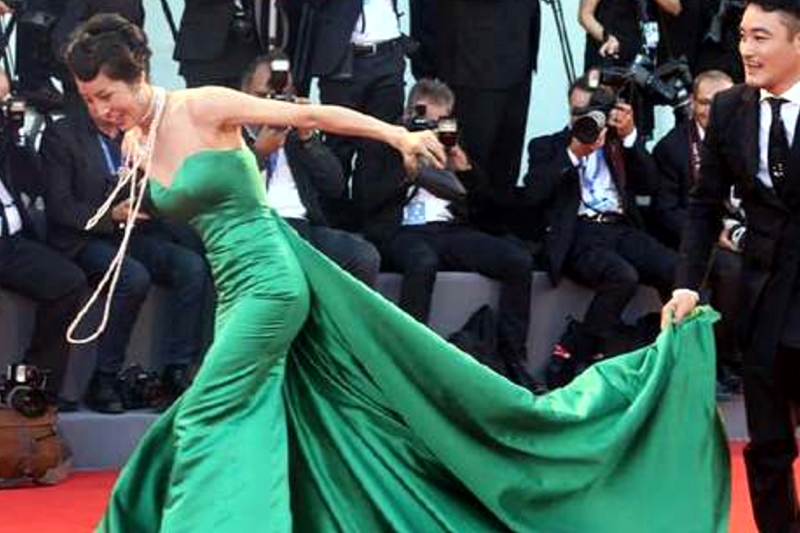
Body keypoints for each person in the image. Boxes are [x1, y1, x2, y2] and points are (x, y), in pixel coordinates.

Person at [67, 14, 727, 532]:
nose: (100, 109)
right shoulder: (137, 140)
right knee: (257, 413)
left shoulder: (201, 105)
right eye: (88, 98)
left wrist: (397, 135)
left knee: (205, 411)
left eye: (105, 94)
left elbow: (311, 115)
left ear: (138, 74)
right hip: (232, 290)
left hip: (272, 283)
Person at [664, 1, 800, 530]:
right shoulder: (729, 109)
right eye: (743, 36)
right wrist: (686, 286)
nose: (746, 49)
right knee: (767, 446)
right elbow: (704, 205)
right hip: (762, 295)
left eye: (761, 37)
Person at [40, 84, 213, 413]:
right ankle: (104, 377)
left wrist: (152, 200)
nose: (110, 111)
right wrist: (111, 215)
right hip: (84, 237)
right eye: (101, 101)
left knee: (190, 266)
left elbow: (161, 186)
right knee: (132, 277)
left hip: (135, 232)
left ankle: (177, 370)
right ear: (88, 99)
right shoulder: (63, 135)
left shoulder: (137, 134)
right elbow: (60, 207)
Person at [362, 78, 535, 387]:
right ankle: (410, 358)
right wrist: (407, 169)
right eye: (424, 119)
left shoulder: (450, 141)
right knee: (422, 261)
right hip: (402, 231)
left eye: (439, 121)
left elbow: (485, 205)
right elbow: (365, 199)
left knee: (518, 261)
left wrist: (463, 166)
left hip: (449, 230)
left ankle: (514, 360)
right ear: (409, 113)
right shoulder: (387, 140)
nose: (430, 128)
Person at [523, 73, 676, 389]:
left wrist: (631, 136)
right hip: (578, 234)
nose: (583, 118)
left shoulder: (617, 144)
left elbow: (650, 185)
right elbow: (533, 195)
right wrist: (574, 153)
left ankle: (672, 355)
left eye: (590, 111)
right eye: (576, 112)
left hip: (619, 228)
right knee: (622, 276)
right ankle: (577, 352)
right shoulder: (547, 145)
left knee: (675, 268)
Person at [240, 51, 381, 286]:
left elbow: (334, 186)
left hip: (302, 226)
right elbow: (223, 189)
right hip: (256, 228)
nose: (269, 105)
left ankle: (340, 313)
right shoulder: (229, 134)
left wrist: (308, 137)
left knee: (363, 256)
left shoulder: (297, 136)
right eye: (262, 96)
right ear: (244, 95)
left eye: (279, 97)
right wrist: (260, 153)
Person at [0, 68, 87, 410]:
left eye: (6, 99)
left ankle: (36, 385)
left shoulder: (7, 137)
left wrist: (14, 135)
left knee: (67, 280)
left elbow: (32, 182)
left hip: (11, 241)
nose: (6, 106)